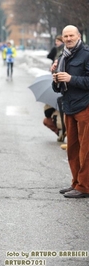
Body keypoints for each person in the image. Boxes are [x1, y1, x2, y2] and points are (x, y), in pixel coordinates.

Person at [51, 25, 89, 198]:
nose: (68, 38)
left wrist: (71, 78)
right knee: (72, 148)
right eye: (65, 36)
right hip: (69, 106)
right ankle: (75, 183)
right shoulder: (63, 56)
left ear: (78, 36)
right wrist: (56, 78)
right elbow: (58, 89)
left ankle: (84, 186)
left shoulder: (86, 54)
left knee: (85, 149)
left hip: (85, 106)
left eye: (71, 35)